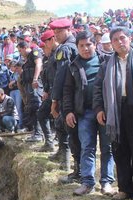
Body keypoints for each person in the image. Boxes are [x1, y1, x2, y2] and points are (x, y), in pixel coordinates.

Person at [93, 27, 133, 200]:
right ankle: (125, 189)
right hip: (115, 112)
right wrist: (99, 109)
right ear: (112, 43)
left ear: (130, 38)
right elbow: (97, 89)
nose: (119, 42)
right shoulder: (106, 65)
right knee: (119, 149)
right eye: (115, 39)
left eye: (122, 38)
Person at [63, 31, 115, 196]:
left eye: (89, 45)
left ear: (95, 44)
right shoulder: (73, 66)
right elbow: (68, 91)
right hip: (84, 113)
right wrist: (68, 111)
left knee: (107, 147)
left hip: (105, 112)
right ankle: (87, 182)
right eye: (82, 46)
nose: (86, 48)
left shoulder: (106, 61)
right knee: (87, 147)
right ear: (77, 47)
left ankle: (106, 182)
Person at [48, 18, 81, 182]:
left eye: (59, 32)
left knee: (73, 134)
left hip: (68, 97)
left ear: (68, 30)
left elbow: (61, 76)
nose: (56, 35)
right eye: (54, 33)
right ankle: (77, 169)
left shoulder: (66, 49)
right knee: (71, 132)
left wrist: (54, 99)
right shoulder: (71, 46)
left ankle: (78, 171)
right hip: (73, 96)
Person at [17, 41, 44, 142]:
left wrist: (35, 79)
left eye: (20, 50)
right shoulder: (27, 59)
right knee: (31, 108)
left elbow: (39, 64)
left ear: (24, 48)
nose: (20, 53)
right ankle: (36, 132)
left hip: (35, 85)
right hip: (29, 86)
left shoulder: (34, 53)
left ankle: (39, 134)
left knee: (37, 107)